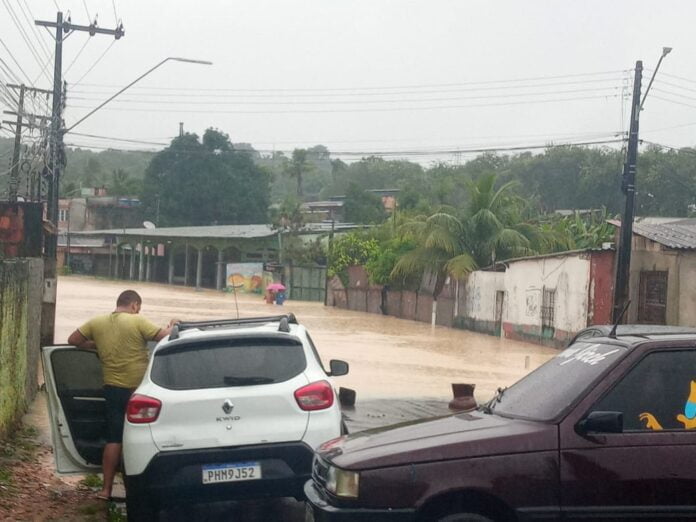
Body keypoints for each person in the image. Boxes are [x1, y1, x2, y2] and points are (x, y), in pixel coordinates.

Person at [67, 290, 179, 500]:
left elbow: (73, 340)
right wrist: (174, 324)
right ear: (135, 305)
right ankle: (142, 491)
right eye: (139, 308)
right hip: (140, 392)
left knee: (114, 439)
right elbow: (165, 336)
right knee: (145, 436)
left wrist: (96, 345)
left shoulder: (96, 322)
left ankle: (106, 490)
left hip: (113, 389)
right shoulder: (137, 322)